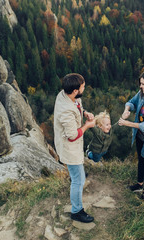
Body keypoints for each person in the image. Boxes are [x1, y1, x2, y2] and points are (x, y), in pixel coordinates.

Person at [53, 73, 95, 223]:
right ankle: (77, 211)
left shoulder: (66, 94)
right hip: (69, 147)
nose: (85, 87)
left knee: (77, 175)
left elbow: (77, 107)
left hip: (73, 146)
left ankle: (76, 175)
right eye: (83, 86)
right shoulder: (66, 110)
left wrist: (84, 113)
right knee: (79, 181)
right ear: (76, 90)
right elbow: (72, 136)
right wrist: (88, 126)